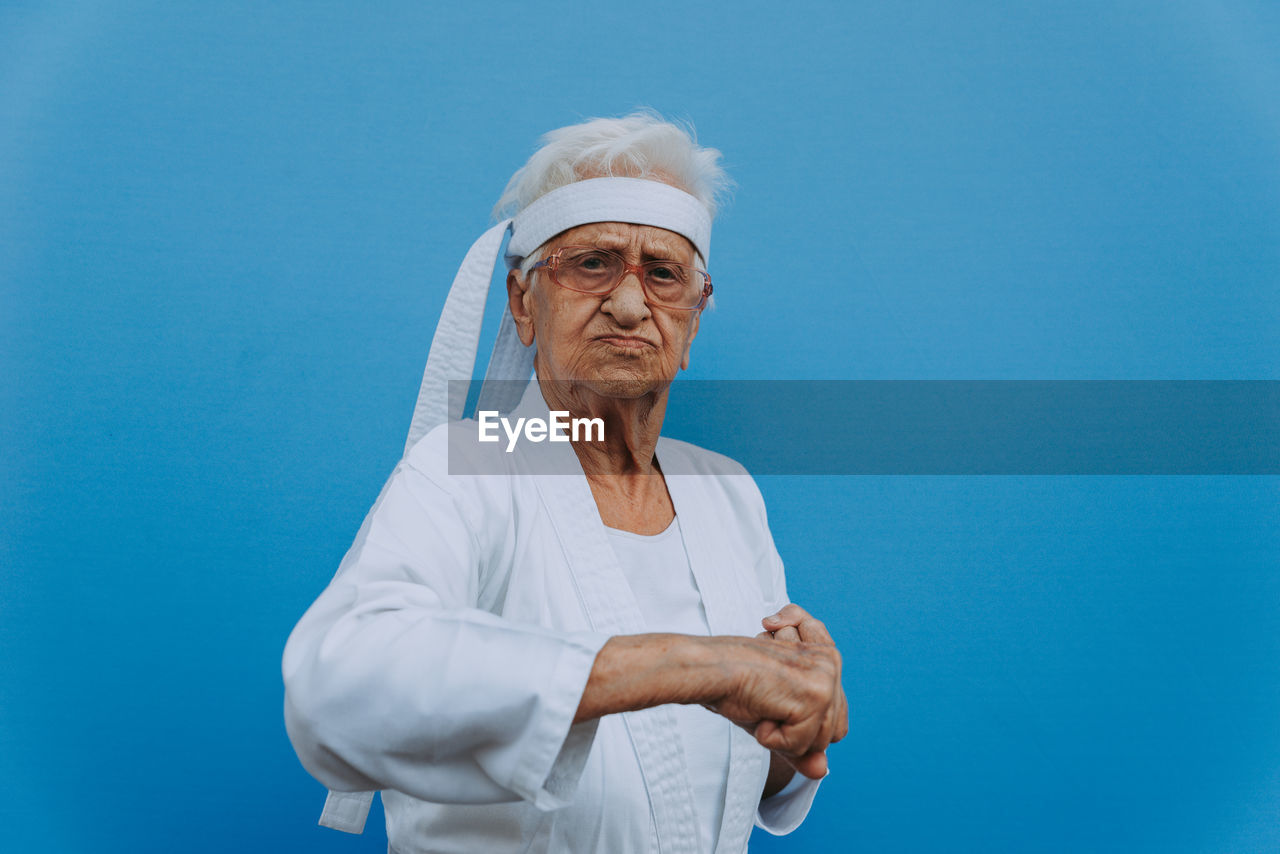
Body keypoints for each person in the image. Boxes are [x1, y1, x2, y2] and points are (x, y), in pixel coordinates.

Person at [282, 112, 848, 854]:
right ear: (523, 302)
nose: (628, 303)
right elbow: (340, 691)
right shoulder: (472, 465)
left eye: (664, 273)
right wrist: (701, 665)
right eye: (592, 263)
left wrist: (794, 713)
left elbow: (730, 780)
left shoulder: (725, 490)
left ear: (695, 318)